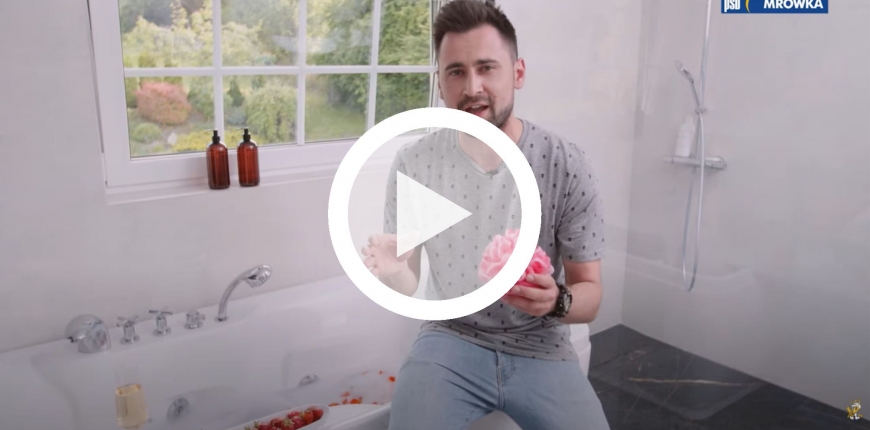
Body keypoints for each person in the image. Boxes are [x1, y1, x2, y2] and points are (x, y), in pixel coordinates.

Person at [361, 1, 610, 429]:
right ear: (440, 83)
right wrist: (394, 271)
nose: (472, 86)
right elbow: (410, 283)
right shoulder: (415, 163)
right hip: (449, 338)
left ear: (518, 73)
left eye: (487, 68)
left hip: (540, 344)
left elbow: (591, 295)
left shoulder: (566, 162)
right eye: (456, 71)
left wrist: (557, 300)